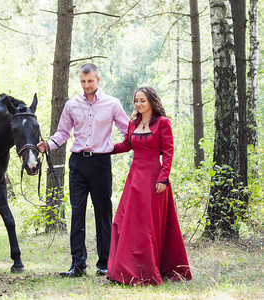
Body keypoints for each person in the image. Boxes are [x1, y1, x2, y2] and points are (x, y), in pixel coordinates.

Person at [37, 63, 129, 277]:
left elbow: (129, 132)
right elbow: (62, 133)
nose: (86, 85)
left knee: (102, 212)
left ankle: (105, 264)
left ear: (98, 80)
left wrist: (113, 149)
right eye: (83, 81)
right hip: (78, 162)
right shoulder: (71, 104)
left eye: (90, 81)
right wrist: (47, 145)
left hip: (100, 163)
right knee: (77, 212)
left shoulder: (112, 104)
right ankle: (77, 265)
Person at [106, 86, 192, 285]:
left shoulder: (163, 123)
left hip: (154, 179)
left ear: (152, 101)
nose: (139, 104)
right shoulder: (132, 123)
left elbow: (169, 153)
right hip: (134, 178)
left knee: (147, 225)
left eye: (142, 100)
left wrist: (163, 178)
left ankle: (148, 270)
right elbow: (126, 145)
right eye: (136, 100)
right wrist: (104, 149)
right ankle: (124, 270)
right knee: (125, 222)